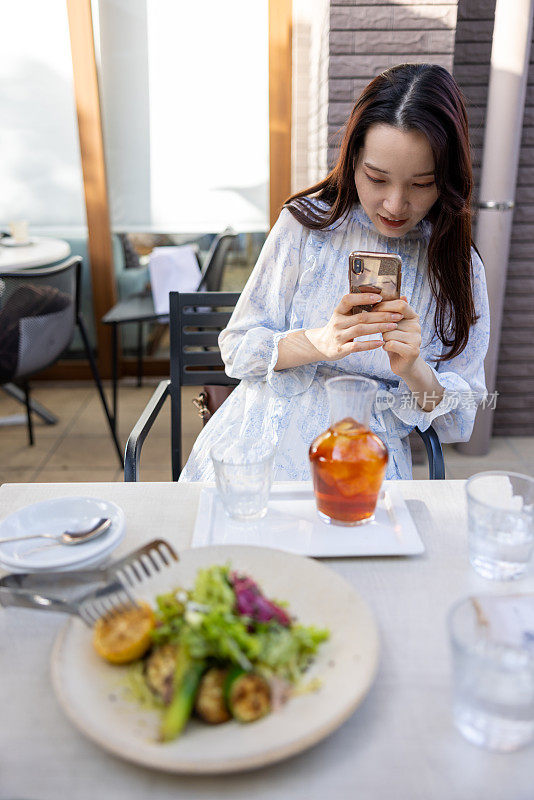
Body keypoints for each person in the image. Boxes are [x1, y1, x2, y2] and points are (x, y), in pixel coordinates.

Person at [181, 63, 490, 481]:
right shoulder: (306, 228)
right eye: (377, 178)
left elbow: (461, 417)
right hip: (260, 442)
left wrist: (414, 369)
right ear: (353, 159)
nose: (396, 205)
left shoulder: (458, 268)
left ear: (447, 179)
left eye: (421, 184)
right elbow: (236, 349)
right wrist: (319, 342)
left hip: (363, 463)